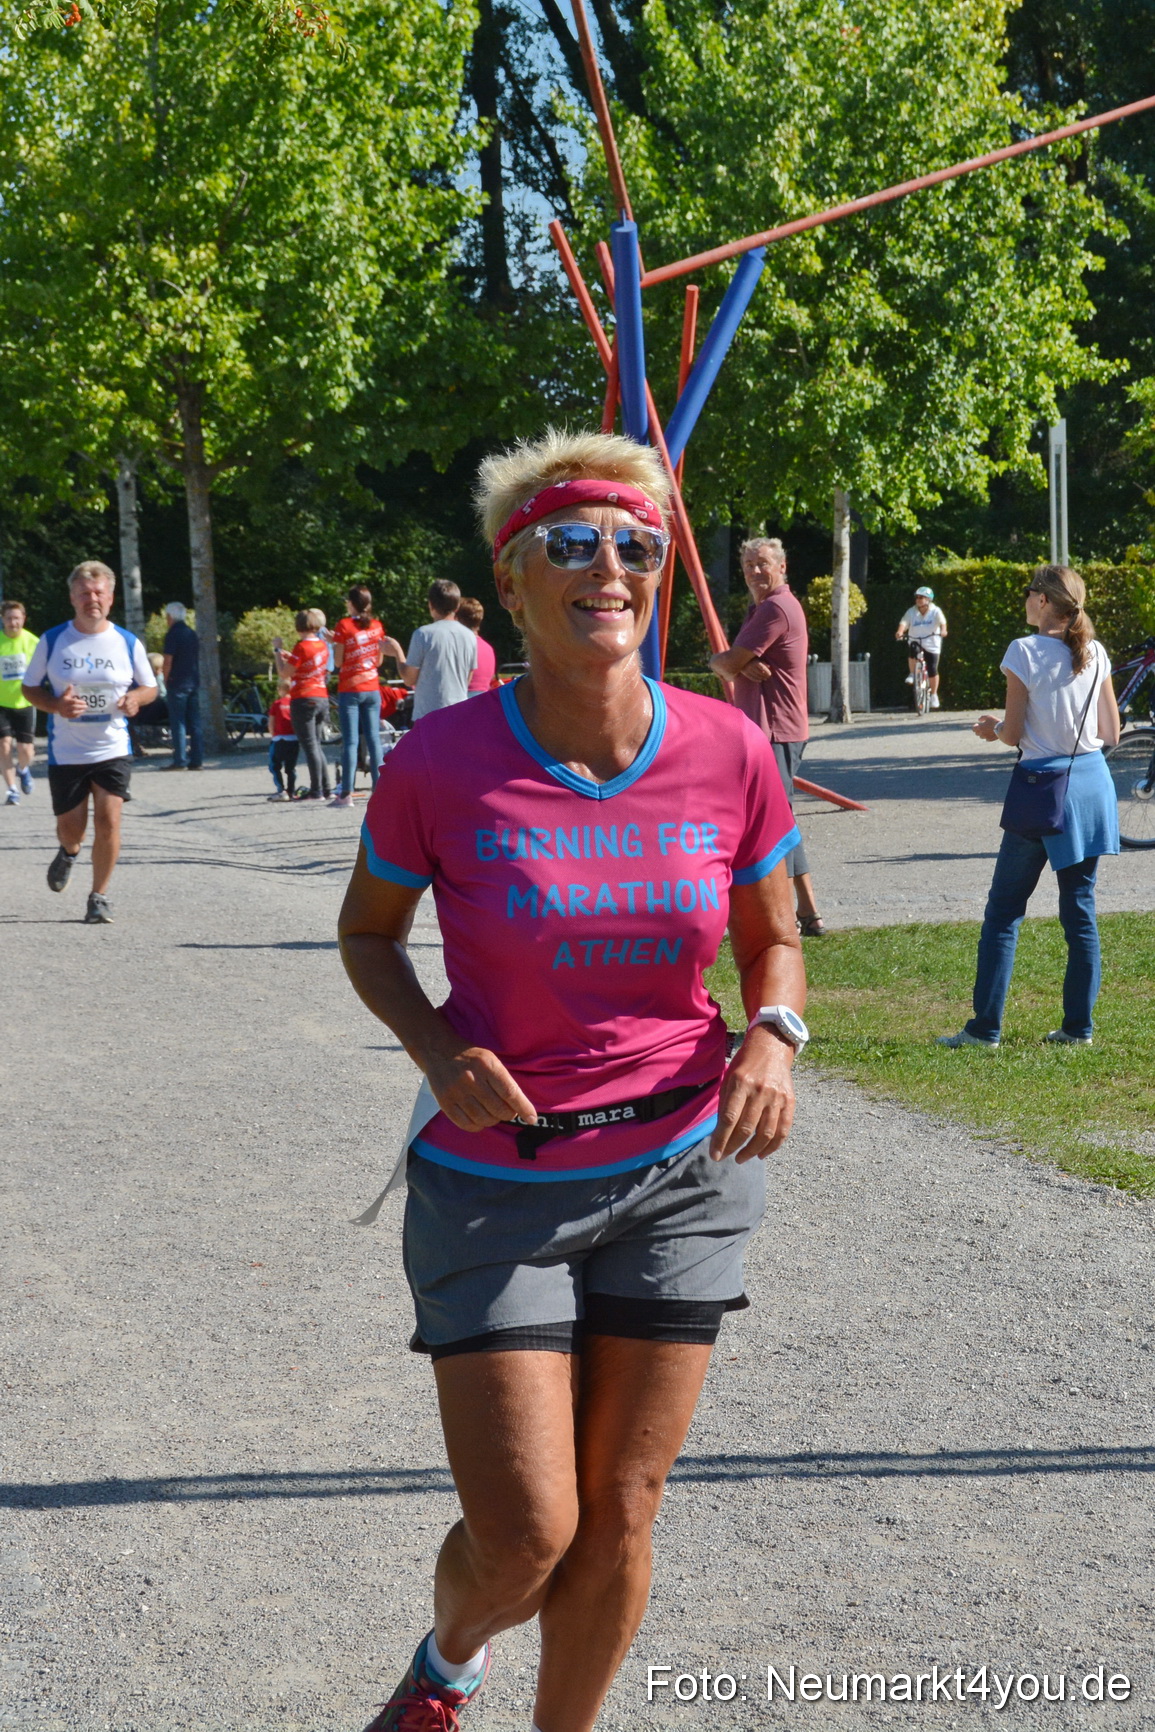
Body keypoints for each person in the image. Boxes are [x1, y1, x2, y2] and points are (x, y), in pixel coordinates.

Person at [337, 429, 808, 1732]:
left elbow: (772, 939)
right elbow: (366, 935)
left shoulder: (726, 750)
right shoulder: (437, 765)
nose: (608, 567)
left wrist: (772, 1033)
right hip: (498, 1182)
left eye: (635, 547)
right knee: (528, 1537)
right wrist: (440, 1051)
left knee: (620, 1514)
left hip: (678, 1171)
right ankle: (447, 1661)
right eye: (571, 543)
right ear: (510, 582)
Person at [939, 565, 1120, 1049]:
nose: (1025, 599)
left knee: (1003, 912)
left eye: (1028, 592)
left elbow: (1013, 735)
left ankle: (984, 1029)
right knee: (1080, 911)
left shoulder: (1024, 651)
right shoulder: (1096, 652)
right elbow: (1114, 733)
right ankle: (1078, 1028)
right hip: (1091, 786)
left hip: (1042, 791)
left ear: (1042, 600)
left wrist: (991, 728)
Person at [21, 560, 156, 924]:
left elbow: (150, 687)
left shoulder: (127, 642)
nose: (91, 599)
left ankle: (99, 896)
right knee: (73, 827)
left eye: (98, 593)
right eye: (84, 593)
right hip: (67, 750)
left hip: (112, 747)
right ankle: (68, 851)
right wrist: (56, 705)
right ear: (72, 598)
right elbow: (28, 688)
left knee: (110, 820)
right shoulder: (53, 640)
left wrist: (134, 700)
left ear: (110, 598)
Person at [708, 537, 827, 936]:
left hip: (774, 730)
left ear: (782, 566)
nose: (754, 571)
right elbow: (736, 663)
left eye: (762, 564)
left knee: (777, 825)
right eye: (747, 564)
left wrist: (731, 663)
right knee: (778, 821)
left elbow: (725, 663)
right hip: (771, 729)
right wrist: (742, 665)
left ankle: (797, 914)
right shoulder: (763, 607)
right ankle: (806, 914)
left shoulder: (775, 607)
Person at [330, 584, 387, 808]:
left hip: (350, 689)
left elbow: (337, 661)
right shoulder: (377, 626)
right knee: (374, 739)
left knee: (351, 741)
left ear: (352, 603)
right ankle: (379, 788)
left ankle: (346, 793)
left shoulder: (343, 625)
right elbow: (380, 660)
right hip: (372, 687)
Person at [273, 610, 332, 800]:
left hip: (304, 698)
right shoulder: (322, 645)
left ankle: (316, 791)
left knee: (309, 745)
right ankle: (326, 787)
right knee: (317, 744)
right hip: (321, 696)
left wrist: (277, 651)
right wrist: (290, 657)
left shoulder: (301, 646)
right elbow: (308, 665)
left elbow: (284, 673)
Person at [401, 579, 477, 721]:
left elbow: (409, 678)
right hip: (459, 712)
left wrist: (397, 653)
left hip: (429, 715)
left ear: (431, 604)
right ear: (457, 606)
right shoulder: (470, 636)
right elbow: (468, 676)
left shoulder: (423, 634)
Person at [0, 598, 39, 806]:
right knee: (3, 746)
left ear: (23, 619)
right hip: (1, 703)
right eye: (9, 619)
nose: (13, 623)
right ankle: (11, 789)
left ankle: (23, 770)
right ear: (3, 620)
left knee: (26, 751)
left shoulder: (33, 642)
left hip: (25, 701)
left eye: (16, 618)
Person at [161, 601, 204, 769]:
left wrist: (166, 678)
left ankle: (180, 759)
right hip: (193, 681)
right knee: (194, 722)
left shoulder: (172, 634)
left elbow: (168, 660)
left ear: (170, 616)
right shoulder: (191, 633)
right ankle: (197, 759)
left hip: (177, 682)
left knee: (178, 721)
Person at [896, 585, 948, 708]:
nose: (918, 599)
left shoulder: (936, 611)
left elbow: (942, 623)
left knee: (932, 668)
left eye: (922, 597)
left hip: (932, 642)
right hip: (916, 640)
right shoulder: (911, 611)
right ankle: (912, 674)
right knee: (913, 650)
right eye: (917, 597)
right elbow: (904, 622)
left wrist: (943, 631)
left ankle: (934, 695)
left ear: (929, 599)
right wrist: (900, 632)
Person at [455, 596, 497, 694]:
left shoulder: (458, 647)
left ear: (457, 618)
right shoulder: (488, 648)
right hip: (484, 702)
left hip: (462, 701)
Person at [267, 678, 299, 802]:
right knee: (291, 767)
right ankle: (291, 790)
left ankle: (281, 789)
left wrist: (272, 734)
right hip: (294, 739)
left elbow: (271, 722)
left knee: (275, 766)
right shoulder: (295, 703)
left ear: (280, 689)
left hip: (279, 738)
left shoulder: (277, 704)